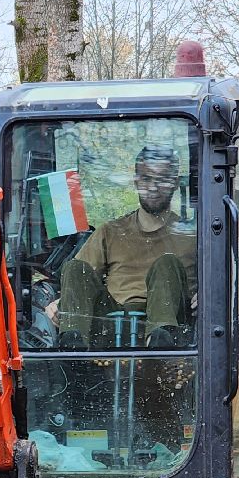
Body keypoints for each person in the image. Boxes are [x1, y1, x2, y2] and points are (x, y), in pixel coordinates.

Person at [57, 143, 196, 349]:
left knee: (167, 263)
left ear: (175, 183)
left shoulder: (193, 236)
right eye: (146, 178)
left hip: (173, 327)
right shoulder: (111, 231)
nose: (153, 187)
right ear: (136, 181)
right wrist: (58, 302)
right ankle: (72, 350)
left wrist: (207, 295)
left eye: (162, 179)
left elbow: (221, 285)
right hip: (110, 325)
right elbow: (78, 280)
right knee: (75, 268)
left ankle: (158, 346)